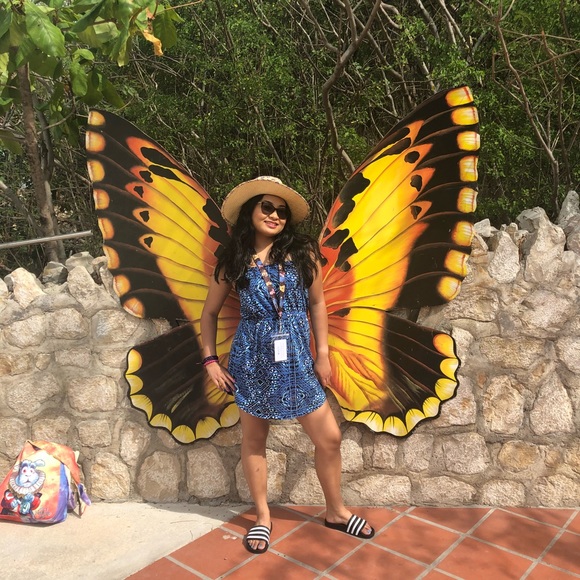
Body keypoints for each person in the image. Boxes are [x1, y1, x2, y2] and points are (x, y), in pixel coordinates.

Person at [200, 175, 374, 554]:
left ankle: (336, 512)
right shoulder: (234, 260)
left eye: (281, 211)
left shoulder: (302, 252)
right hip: (252, 360)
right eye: (267, 207)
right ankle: (263, 517)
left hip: (297, 359)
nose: (275, 215)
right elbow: (209, 313)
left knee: (329, 438)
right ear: (251, 212)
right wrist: (211, 360)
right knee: (254, 440)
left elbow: (317, 303)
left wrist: (323, 354)